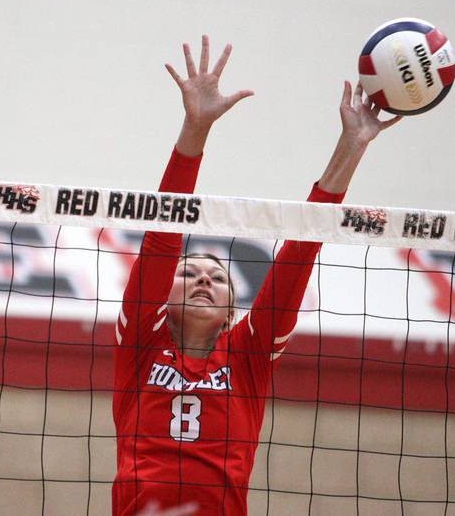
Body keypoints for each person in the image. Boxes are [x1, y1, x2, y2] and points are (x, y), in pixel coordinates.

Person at [112, 35, 400, 516]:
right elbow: (162, 236)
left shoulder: (248, 354)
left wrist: (351, 145)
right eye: (190, 273)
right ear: (164, 292)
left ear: (232, 310)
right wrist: (194, 129)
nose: (205, 279)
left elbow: (300, 251)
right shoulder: (141, 340)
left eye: (218, 278)